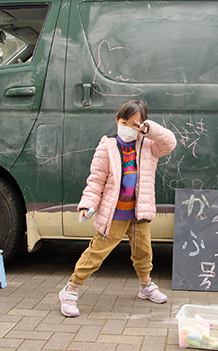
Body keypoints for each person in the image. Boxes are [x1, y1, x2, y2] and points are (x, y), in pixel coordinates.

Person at [59, 100, 177, 317]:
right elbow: (96, 179)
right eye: (124, 122)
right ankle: (71, 289)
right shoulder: (107, 146)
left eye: (135, 124)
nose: (128, 127)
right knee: (97, 252)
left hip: (139, 212)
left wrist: (150, 130)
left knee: (143, 252)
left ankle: (146, 286)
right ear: (117, 121)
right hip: (114, 213)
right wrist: (87, 204)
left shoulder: (148, 145)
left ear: (143, 125)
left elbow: (169, 143)